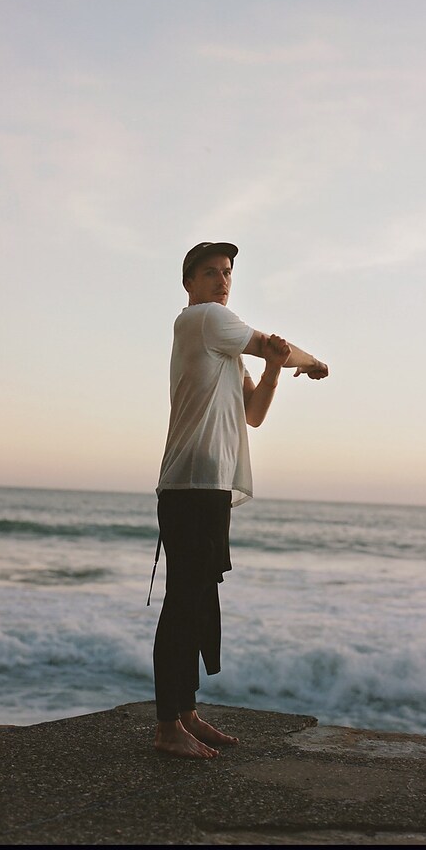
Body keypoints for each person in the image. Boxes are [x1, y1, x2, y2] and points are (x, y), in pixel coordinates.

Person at [151, 241, 329, 759]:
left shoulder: (221, 344)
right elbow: (272, 342)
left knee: (198, 603)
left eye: (227, 272)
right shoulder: (205, 319)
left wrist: (274, 370)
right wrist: (312, 362)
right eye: (210, 272)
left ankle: (185, 714)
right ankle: (167, 728)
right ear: (189, 283)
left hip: (209, 486)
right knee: (183, 605)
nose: (222, 280)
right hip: (190, 485)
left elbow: (253, 414)